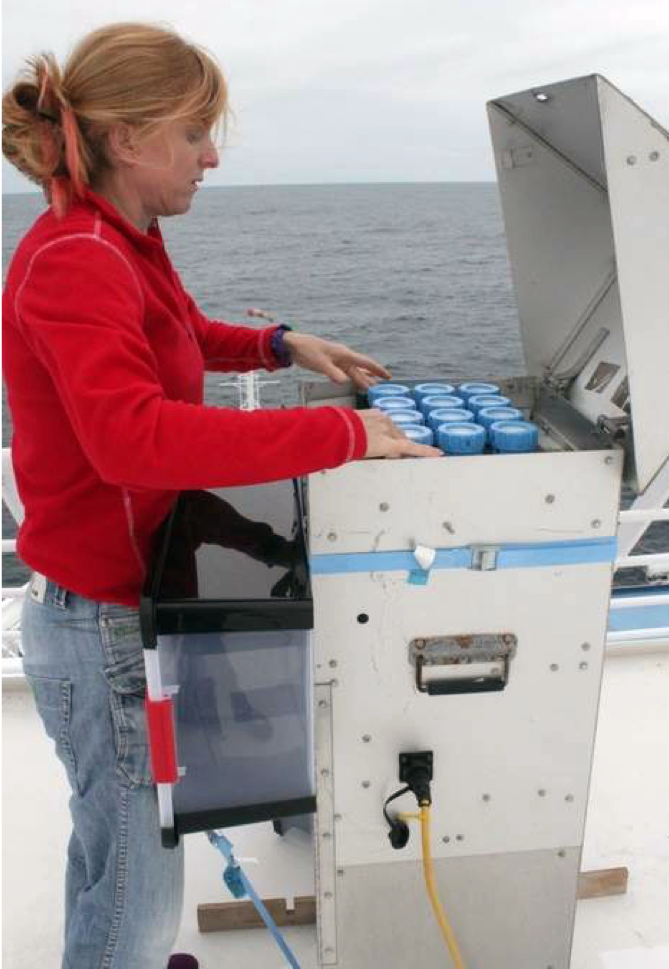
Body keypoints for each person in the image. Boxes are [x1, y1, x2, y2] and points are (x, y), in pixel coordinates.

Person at [0, 21, 439, 969]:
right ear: (129, 140)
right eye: (196, 133)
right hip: (105, 621)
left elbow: (179, 330)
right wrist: (343, 432)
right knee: (136, 892)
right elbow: (133, 441)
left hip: (121, 599)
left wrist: (281, 345)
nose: (212, 155)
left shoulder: (122, 237)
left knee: (112, 841)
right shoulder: (77, 257)